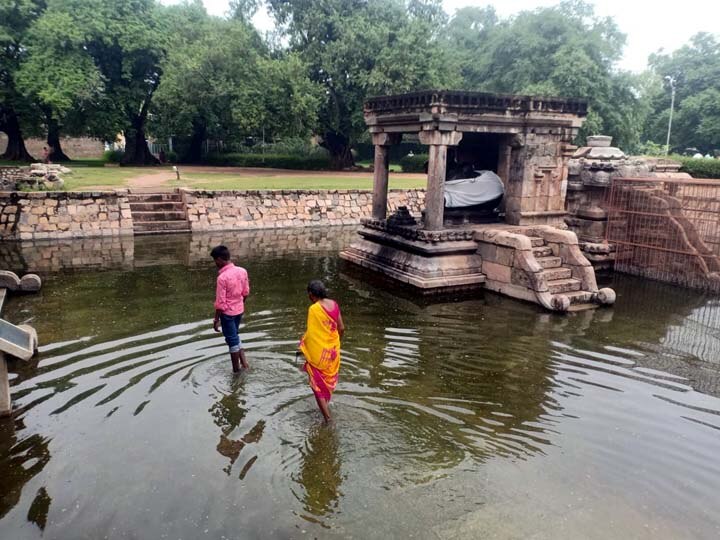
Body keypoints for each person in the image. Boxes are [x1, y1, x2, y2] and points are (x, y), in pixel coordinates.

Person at [299, 280, 344, 423]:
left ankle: (328, 419)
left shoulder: (314, 309)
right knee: (324, 383)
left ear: (311, 295)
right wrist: (335, 344)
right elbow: (341, 328)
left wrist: (305, 348)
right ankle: (324, 409)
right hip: (333, 352)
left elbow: (312, 335)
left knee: (316, 386)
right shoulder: (334, 304)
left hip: (319, 355)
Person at [211, 245, 250, 373]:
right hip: (239, 310)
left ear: (220, 259)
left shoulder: (222, 278)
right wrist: (240, 304)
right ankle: (244, 364)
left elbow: (221, 303)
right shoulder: (242, 271)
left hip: (227, 314)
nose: (215, 263)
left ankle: (236, 371)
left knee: (232, 340)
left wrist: (216, 319)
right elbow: (245, 293)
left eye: (215, 260)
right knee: (235, 336)